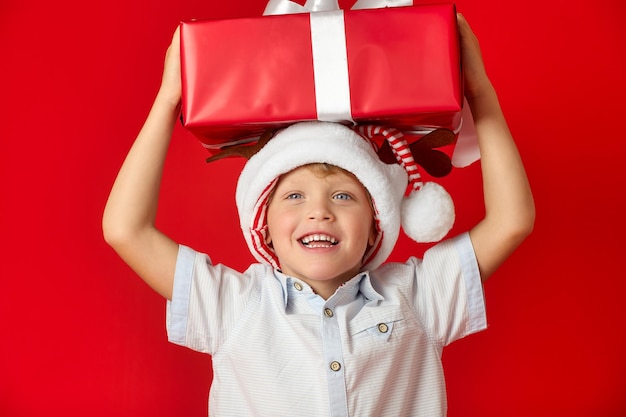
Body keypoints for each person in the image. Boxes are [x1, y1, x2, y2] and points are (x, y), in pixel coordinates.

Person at [103, 14, 535, 417]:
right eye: (293, 197)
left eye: (344, 197)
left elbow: (511, 220)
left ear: (374, 228)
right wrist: (167, 101)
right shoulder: (232, 305)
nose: (320, 212)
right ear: (263, 228)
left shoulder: (419, 299)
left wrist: (479, 92)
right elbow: (126, 230)